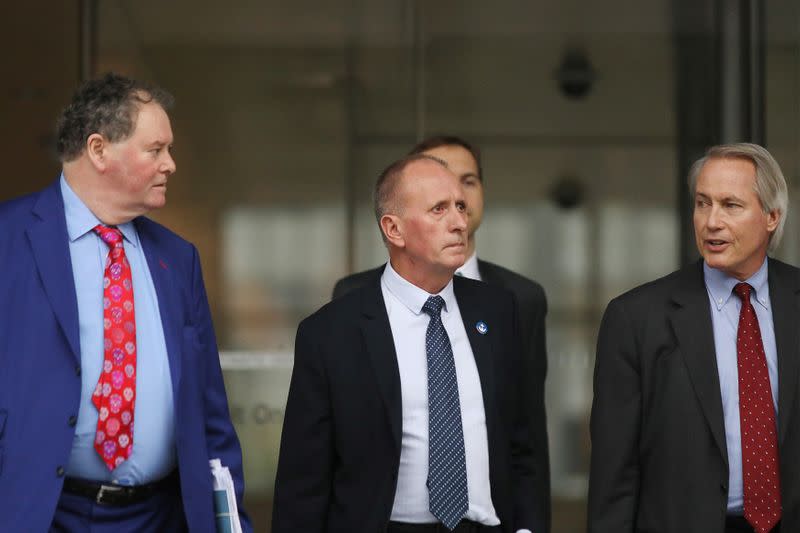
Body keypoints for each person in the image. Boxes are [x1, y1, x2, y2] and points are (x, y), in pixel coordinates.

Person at [0, 73, 250, 532]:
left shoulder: (178, 259)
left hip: (160, 516)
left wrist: (231, 524)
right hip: (39, 512)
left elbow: (209, 410)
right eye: (155, 150)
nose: (170, 164)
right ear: (98, 150)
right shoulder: (8, 240)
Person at [272, 154, 542, 532]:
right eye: (439, 210)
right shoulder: (331, 333)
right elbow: (304, 479)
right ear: (394, 229)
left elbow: (522, 442)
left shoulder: (497, 311)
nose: (460, 222)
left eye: (461, 207)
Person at [588, 143, 800, 533]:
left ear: (772, 216)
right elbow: (613, 473)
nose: (711, 222)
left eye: (730, 205)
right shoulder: (636, 318)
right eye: (703, 204)